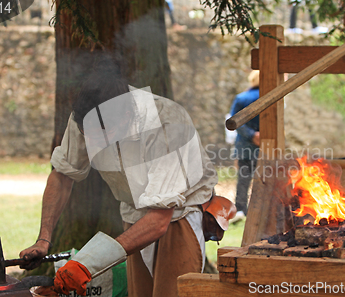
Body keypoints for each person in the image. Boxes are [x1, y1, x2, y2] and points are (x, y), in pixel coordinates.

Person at [19, 60, 217, 297]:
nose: (94, 144)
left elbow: (159, 219)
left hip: (178, 215)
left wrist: (88, 264)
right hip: (134, 214)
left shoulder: (167, 121)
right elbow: (62, 175)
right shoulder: (86, 117)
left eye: (104, 134)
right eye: (87, 135)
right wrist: (43, 239)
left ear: (126, 114)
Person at [229, 70, 260, 218]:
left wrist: (251, 134)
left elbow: (233, 121)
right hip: (266, 147)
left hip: (245, 146)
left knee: (243, 180)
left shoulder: (241, 98)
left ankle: (240, 209)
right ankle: (260, 209)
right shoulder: (272, 98)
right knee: (266, 178)